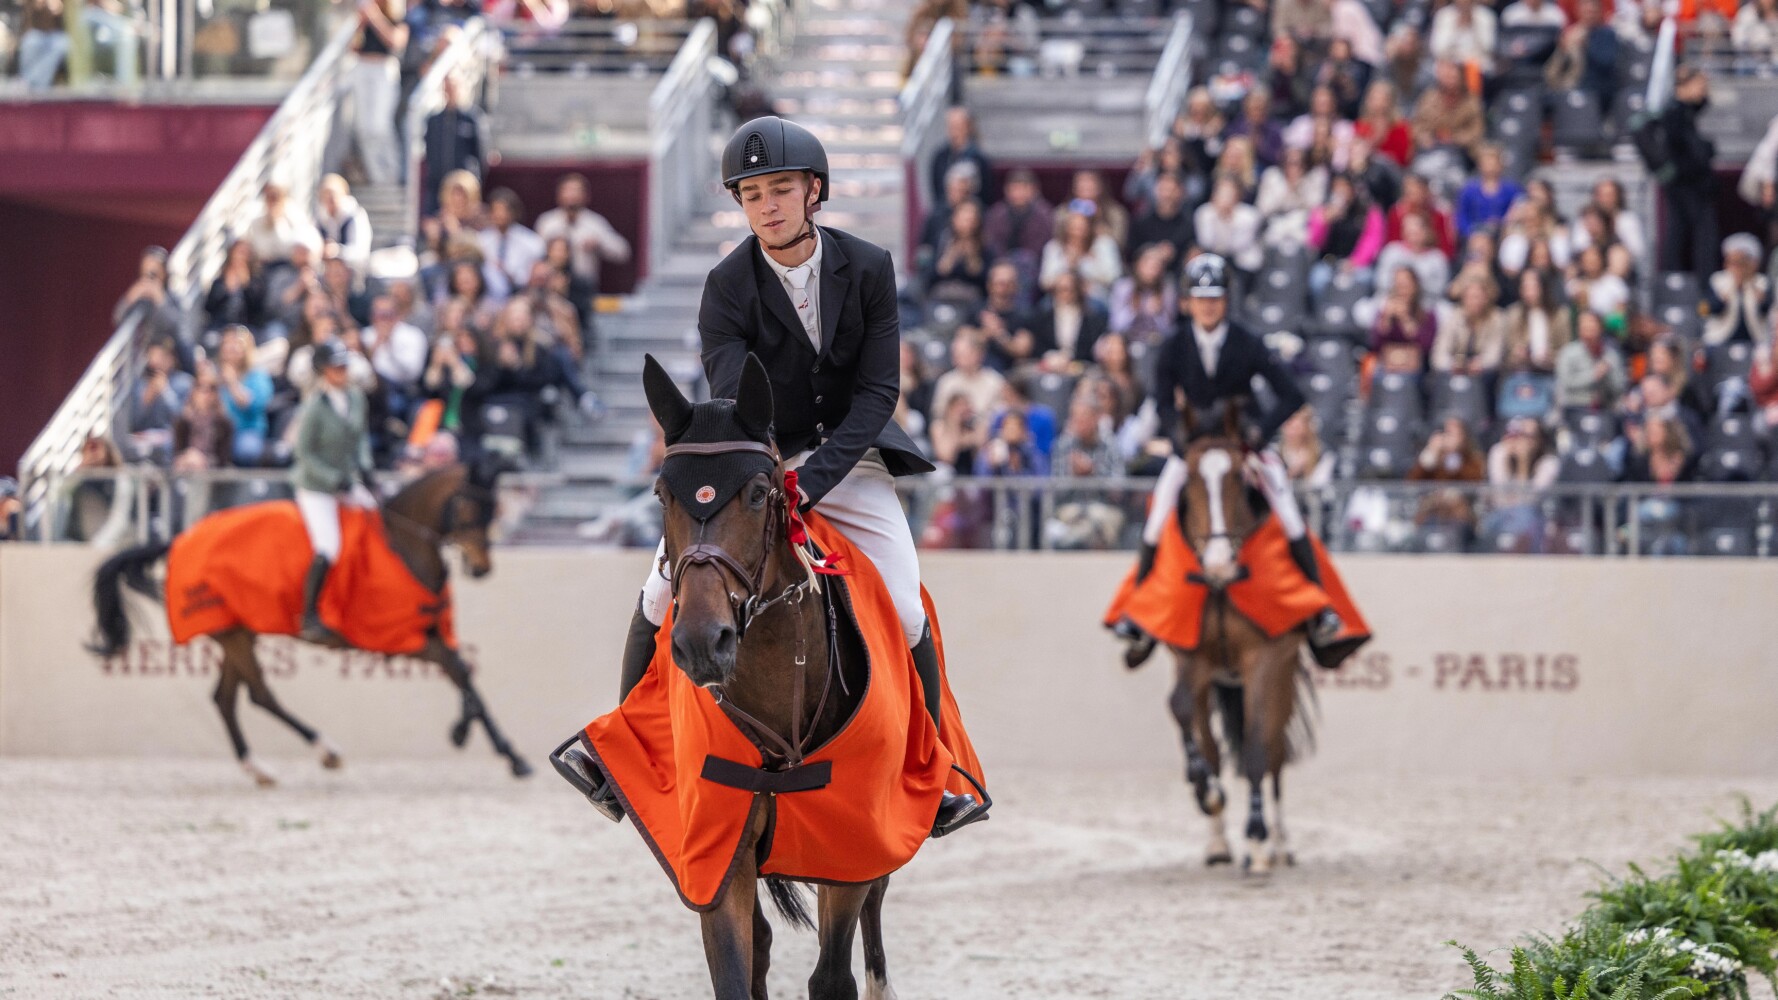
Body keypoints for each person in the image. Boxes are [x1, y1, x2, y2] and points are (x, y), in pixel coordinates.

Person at [605, 116, 985, 835]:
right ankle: (625, 753)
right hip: (761, 456)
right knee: (660, 591)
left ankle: (935, 775)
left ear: (814, 191)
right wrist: (771, 477)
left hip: (850, 453)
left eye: (781, 189)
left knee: (904, 606)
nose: (767, 206)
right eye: (752, 195)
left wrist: (815, 482)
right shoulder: (725, 285)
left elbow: (877, 392)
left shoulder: (868, 266)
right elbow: (734, 399)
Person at [1114, 254, 1346, 664]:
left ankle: (1320, 609)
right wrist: (1178, 440)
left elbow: (1291, 394)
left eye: (1215, 298)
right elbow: (1163, 403)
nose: (1208, 306)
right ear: (1188, 302)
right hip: (1195, 448)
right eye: (1201, 299)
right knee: (1158, 513)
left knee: (1287, 506)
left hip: (1242, 444)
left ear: (1225, 301)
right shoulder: (1173, 345)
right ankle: (1139, 615)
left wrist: (1260, 432)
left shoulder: (1247, 341)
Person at [292, 341, 376, 645]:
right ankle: (309, 614)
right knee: (328, 546)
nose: (342, 371)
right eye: (336, 367)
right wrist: (332, 479)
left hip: (347, 480)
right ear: (323, 371)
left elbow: (360, 438)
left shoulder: (355, 398)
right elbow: (304, 453)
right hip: (316, 487)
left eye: (344, 366)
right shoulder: (314, 407)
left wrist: (365, 466)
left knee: (375, 519)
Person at [1660, 66, 1722, 276]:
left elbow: (1700, 105)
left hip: (1686, 182)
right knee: (1700, 236)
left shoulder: (1682, 111)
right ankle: (1696, 282)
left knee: (1686, 234)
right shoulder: (1674, 113)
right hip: (1687, 183)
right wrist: (1706, 150)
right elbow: (1687, 149)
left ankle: (1677, 278)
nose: (1703, 90)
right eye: (1699, 85)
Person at [534, 173, 632, 294]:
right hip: (551, 290)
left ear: (586, 196)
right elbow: (534, 256)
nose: (571, 195)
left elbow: (623, 252)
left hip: (584, 290)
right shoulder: (546, 222)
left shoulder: (595, 223)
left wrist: (599, 243)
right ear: (558, 195)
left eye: (576, 191)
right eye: (567, 190)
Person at [349, 0, 409, 186]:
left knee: (380, 127)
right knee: (363, 128)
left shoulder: (396, 17)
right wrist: (359, 24)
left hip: (383, 70)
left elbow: (395, 42)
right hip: (362, 68)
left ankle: (392, 174)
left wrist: (375, 17)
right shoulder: (363, 16)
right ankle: (377, 177)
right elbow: (352, 47)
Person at [421, 74, 493, 217]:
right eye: (446, 88)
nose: (450, 91)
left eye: (453, 87)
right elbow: (429, 151)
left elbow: (481, 153)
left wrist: (473, 180)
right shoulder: (434, 120)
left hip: (465, 187)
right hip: (439, 185)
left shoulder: (472, 118)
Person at [215, 325, 274, 466]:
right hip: (216, 429)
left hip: (246, 430)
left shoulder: (258, 376)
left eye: (237, 343)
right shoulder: (213, 375)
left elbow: (252, 406)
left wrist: (232, 383)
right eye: (227, 343)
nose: (231, 347)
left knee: (246, 451)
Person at [1704, 233, 1773, 346]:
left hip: (1755, 341)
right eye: (1732, 262)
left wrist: (1751, 284)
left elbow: (1766, 309)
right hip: (1720, 340)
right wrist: (1731, 287)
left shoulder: (1762, 282)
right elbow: (1707, 309)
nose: (1736, 268)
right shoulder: (1718, 280)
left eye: (1741, 263)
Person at [478, 188, 547, 298]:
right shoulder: (480, 241)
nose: (500, 215)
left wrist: (512, 276)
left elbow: (536, 273)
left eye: (504, 210)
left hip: (522, 293)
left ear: (514, 212)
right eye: (496, 210)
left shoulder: (532, 241)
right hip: (488, 295)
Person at [1555, 310, 1627, 414]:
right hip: (1574, 407)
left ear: (1600, 328)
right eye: (1584, 324)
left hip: (1605, 408)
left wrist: (1607, 375)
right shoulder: (1568, 353)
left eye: (1592, 324)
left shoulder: (1610, 354)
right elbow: (1566, 382)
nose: (1588, 327)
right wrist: (1594, 375)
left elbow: (1619, 388)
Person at [983, 167, 1055, 269]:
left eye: (1023, 188)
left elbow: (1043, 246)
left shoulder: (1045, 215)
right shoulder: (996, 214)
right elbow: (992, 244)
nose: (1019, 193)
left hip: (1034, 266)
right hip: (1000, 265)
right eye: (1015, 188)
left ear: (1034, 190)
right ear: (1006, 190)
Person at [929, 107, 994, 209]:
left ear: (968, 127)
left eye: (958, 126)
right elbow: (937, 191)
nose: (954, 131)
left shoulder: (979, 159)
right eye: (951, 126)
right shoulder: (940, 157)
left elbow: (986, 193)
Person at [1454, 145, 1523, 241]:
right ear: (1480, 164)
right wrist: (1473, 233)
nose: (1490, 166)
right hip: (1475, 236)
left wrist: (1504, 222)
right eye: (1486, 162)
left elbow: (1519, 209)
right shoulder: (1469, 190)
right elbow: (1462, 218)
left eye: (1493, 161)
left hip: (1503, 234)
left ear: (1500, 164)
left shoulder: (1512, 189)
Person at [315, 174, 373, 270]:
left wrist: (338, 251)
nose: (330, 199)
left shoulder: (355, 216)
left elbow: (361, 253)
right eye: (325, 195)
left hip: (351, 271)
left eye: (333, 194)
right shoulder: (320, 219)